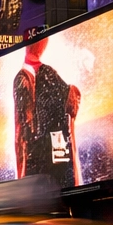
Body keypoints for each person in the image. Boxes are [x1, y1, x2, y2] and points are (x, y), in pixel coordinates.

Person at [12, 37, 80, 188]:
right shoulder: (39, 75)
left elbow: (21, 135)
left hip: (42, 168)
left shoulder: (28, 77)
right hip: (54, 166)